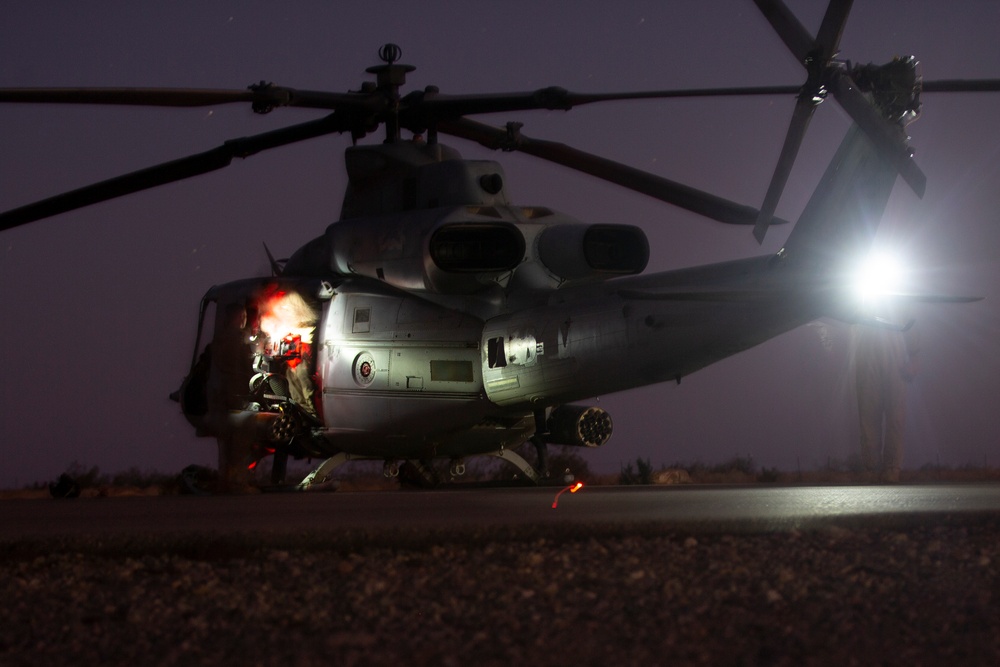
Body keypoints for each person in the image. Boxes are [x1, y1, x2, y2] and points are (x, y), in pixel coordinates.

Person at [853, 313, 919, 483]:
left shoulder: (901, 296)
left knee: (896, 414)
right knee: (868, 413)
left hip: (895, 351)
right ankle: (871, 467)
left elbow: (912, 321)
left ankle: (891, 467)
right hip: (866, 349)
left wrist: (913, 359)